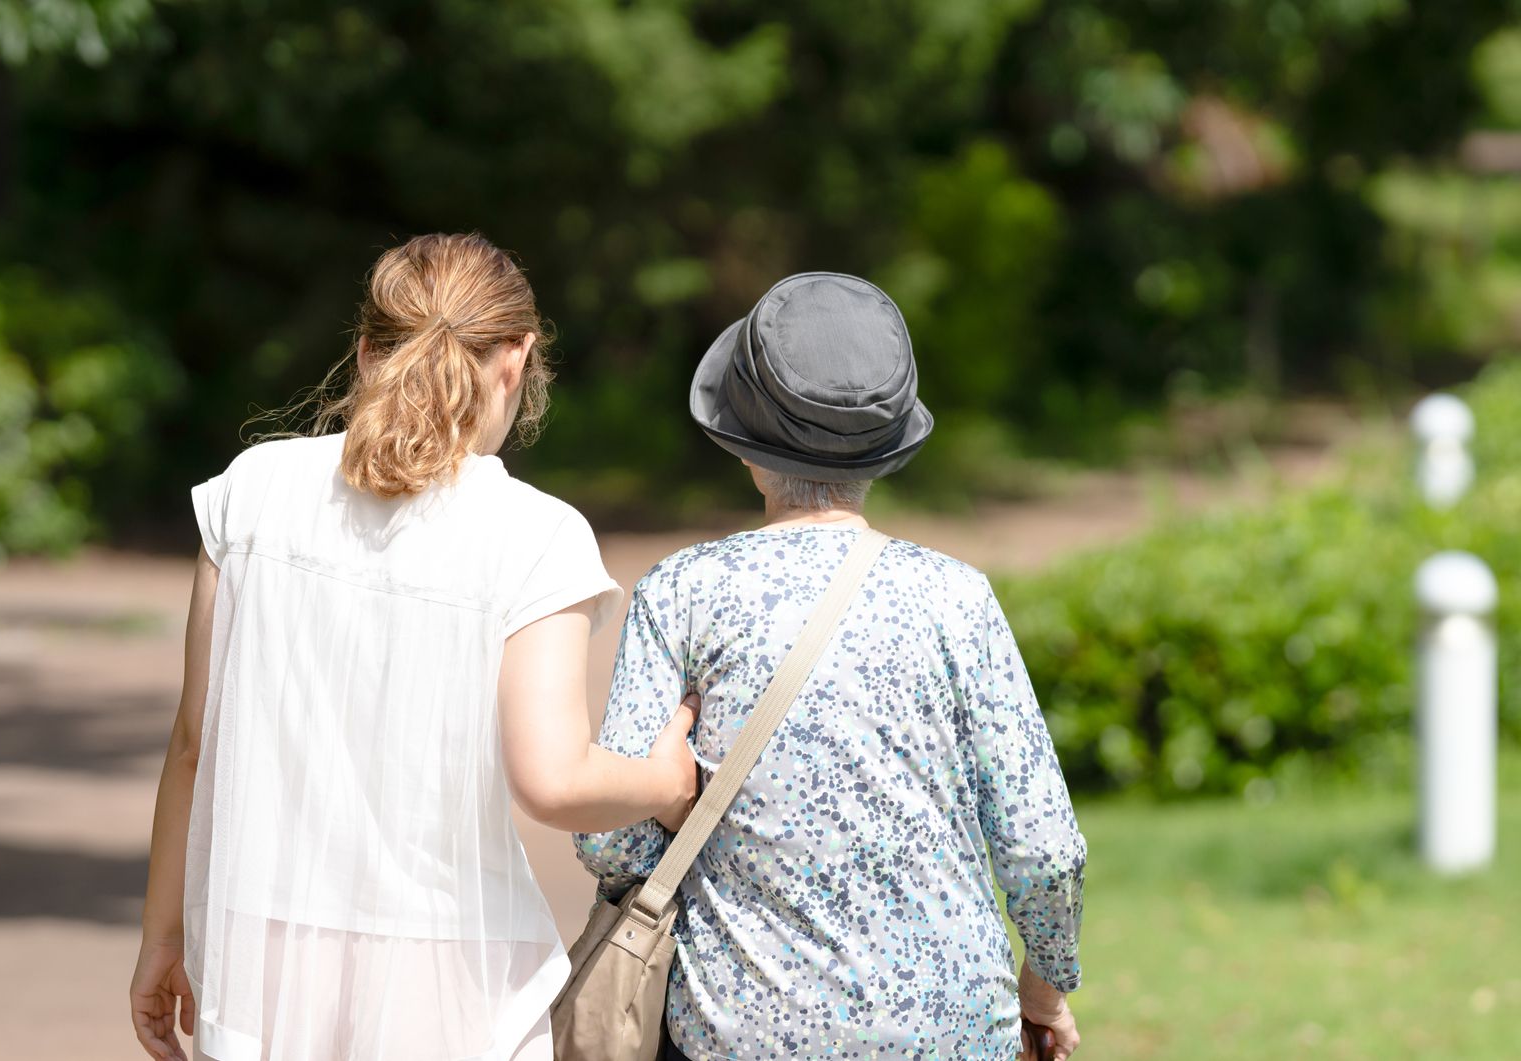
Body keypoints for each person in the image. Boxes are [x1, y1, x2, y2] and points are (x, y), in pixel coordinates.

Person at [129, 233, 700, 1061]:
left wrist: (162, 935)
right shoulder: (534, 535)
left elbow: (193, 744)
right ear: (518, 359)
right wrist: (664, 779)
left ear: (365, 352)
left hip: (260, 963)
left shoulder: (251, 491)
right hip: (451, 977)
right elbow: (555, 780)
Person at [575, 273, 1088, 1060]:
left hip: (739, 1031)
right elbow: (1043, 848)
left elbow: (608, 841)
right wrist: (1043, 987)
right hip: (948, 1034)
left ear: (743, 439)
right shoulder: (957, 599)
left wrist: (681, 808)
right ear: (886, 445)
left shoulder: (682, 592)